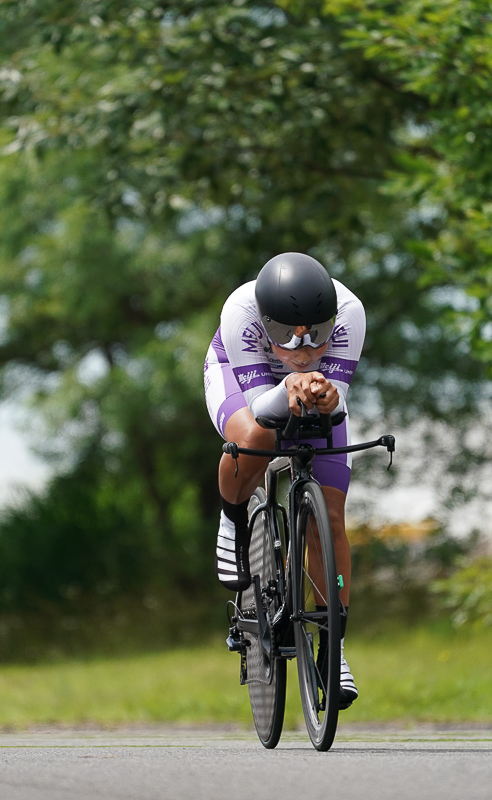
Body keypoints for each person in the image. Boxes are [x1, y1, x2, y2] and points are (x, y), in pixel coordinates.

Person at [202, 251, 365, 709]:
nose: (304, 350)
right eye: (287, 338)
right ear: (266, 322)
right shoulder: (240, 312)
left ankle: (332, 648)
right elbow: (262, 412)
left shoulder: (351, 312)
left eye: (318, 336)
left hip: (305, 396)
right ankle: (233, 518)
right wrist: (288, 387)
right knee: (257, 437)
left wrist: (326, 395)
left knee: (331, 517)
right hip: (241, 381)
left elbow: (334, 408)